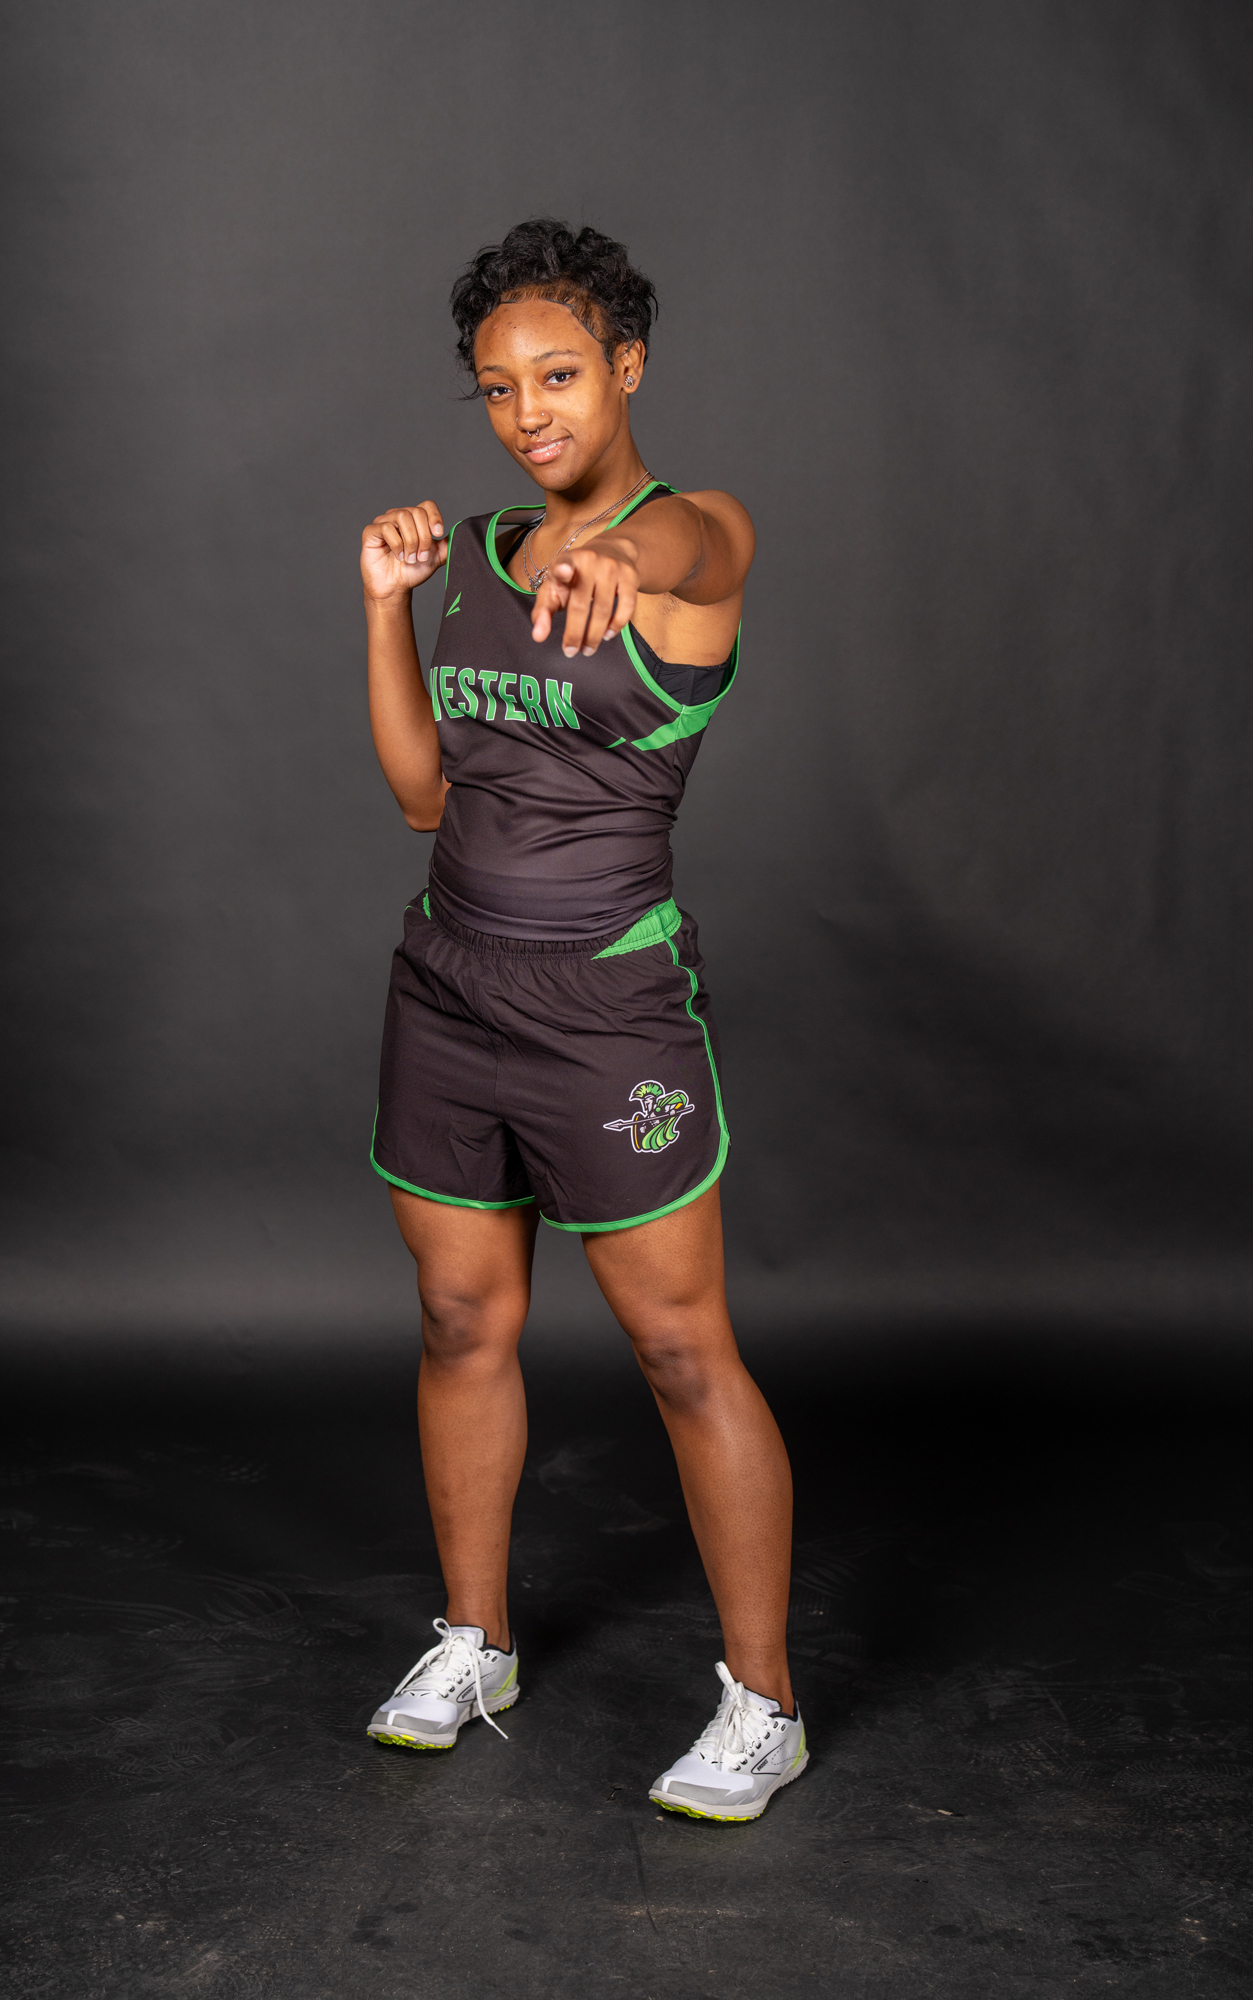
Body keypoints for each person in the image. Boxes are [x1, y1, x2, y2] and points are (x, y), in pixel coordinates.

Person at [358, 219, 802, 1822]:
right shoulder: (478, 555)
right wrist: (384, 606)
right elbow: (424, 797)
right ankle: (473, 1641)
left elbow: (709, 543)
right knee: (457, 1320)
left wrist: (631, 557)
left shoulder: (685, 545)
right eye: (497, 388)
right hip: (448, 981)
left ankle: (762, 1702)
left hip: (606, 1002)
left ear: (626, 365)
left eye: (557, 375)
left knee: (680, 1348)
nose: (527, 411)